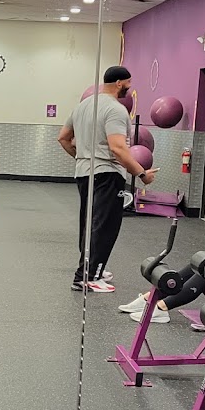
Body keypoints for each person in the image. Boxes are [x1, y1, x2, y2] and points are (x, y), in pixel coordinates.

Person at [58, 66, 158, 292]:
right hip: (107, 174)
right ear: (119, 83)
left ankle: (92, 269)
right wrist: (142, 173)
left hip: (84, 172)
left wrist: (83, 157)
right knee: (104, 226)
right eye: (128, 83)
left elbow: (63, 138)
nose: (130, 87)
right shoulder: (116, 109)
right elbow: (118, 148)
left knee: (89, 223)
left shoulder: (83, 106)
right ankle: (88, 277)